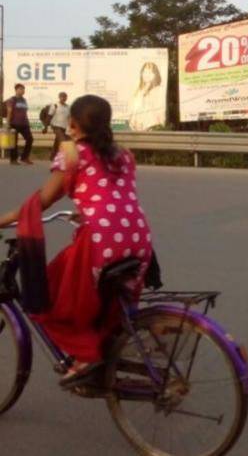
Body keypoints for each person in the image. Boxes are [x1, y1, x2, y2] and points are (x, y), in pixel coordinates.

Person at [0, 95, 153, 386]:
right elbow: (110, 196)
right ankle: (106, 351)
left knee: (49, 296)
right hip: (138, 237)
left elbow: (42, 201)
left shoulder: (72, 153)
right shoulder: (123, 153)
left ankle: (86, 356)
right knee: (102, 301)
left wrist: (3, 219)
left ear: (72, 124)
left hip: (102, 241)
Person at [4, 83, 34, 165]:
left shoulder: (24, 100)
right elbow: (9, 112)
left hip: (24, 124)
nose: (22, 91)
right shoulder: (11, 100)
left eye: (23, 89)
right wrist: (7, 124)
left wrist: (27, 122)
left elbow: (25, 112)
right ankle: (13, 160)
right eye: (20, 89)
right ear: (16, 90)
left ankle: (24, 157)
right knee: (14, 142)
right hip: (14, 124)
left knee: (30, 139)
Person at [127, 62, 163, 131]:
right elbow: (134, 109)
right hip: (136, 128)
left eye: (150, 72)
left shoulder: (158, 90)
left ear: (155, 75)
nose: (147, 74)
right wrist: (132, 120)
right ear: (142, 73)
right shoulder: (138, 91)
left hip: (151, 128)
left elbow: (158, 113)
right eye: (145, 71)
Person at [48, 92, 71, 160]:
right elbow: (49, 116)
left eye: (65, 97)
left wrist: (70, 127)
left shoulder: (68, 107)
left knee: (57, 142)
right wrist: (46, 127)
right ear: (59, 97)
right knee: (63, 140)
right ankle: (64, 158)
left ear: (66, 98)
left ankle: (52, 156)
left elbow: (69, 117)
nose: (63, 98)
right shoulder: (55, 105)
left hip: (64, 127)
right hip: (56, 126)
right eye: (62, 96)